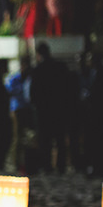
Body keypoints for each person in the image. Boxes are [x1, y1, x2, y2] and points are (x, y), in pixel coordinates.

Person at [29, 42, 70, 173]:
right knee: (60, 140)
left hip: (44, 111)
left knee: (45, 141)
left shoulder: (38, 70)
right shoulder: (60, 67)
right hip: (59, 109)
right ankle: (61, 166)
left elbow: (33, 92)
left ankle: (47, 166)